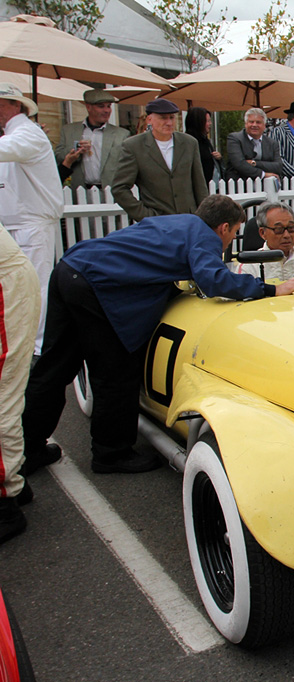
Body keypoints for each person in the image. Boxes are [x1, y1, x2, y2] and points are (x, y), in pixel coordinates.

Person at [20, 196, 294, 477]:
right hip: (93, 285)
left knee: (54, 366)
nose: (229, 241)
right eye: (234, 233)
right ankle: (111, 453)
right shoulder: (204, 236)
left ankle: (24, 449)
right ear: (224, 228)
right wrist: (271, 289)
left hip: (70, 269)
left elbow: (149, 260)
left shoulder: (180, 223)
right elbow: (214, 280)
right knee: (115, 369)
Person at [0, 83, 63, 356]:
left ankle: (37, 349)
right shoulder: (16, 134)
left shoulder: (28, 133)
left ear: (16, 106)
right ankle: (24, 345)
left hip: (32, 223)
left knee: (35, 287)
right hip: (18, 223)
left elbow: (7, 149)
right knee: (18, 288)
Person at [0, 225, 40, 545]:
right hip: (9, 279)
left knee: (2, 399)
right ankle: (15, 481)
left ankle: (6, 500)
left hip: (6, 285)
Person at [112, 98, 209, 223]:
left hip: (189, 220)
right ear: (149, 119)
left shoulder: (189, 143)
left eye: (172, 117)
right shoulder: (134, 146)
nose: (169, 122)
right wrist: (145, 215)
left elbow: (200, 185)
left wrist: (203, 218)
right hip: (157, 223)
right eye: (163, 118)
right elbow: (119, 188)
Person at [55, 88, 130, 190]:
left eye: (109, 106)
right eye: (101, 106)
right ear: (88, 107)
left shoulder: (122, 134)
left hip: (111, 191)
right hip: (80, 190)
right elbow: (58, 158)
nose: (107, 110)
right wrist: (75, 149)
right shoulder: (69, 130)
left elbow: (128, 165)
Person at [235, 202, 294, 279]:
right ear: (262, 233)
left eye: (291, 228)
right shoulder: (248, 267)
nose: (287, 235)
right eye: (279, 229)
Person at [225, 108, 283, 182]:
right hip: (239, 186)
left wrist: (254, 163)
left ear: (264, 125)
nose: (254, 125)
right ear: (245, 124)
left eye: (258, 122)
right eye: (251, 122)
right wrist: (263, 174)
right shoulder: (234, 139)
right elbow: (239, 164)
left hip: (265, 188)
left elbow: (278, 166)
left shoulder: (272, 143)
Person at [184, 106, 220, 185]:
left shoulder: (205, 140)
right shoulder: (188, 143)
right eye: (207, 121)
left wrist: (218, 158)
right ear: (198, 122)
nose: (210, 124)